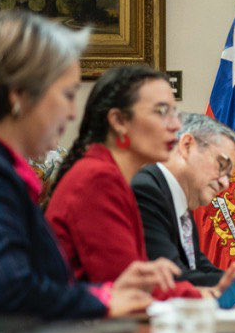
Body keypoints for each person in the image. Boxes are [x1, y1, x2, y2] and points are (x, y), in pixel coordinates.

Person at [0, 10, 160, 319]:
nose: (73, 113)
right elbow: (7, 294)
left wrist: (102, 293)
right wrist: (103, 303)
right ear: (18, 96)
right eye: (67, 94)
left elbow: (34, 285)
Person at [45, 65, 201, 300]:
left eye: (174, 113)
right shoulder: (97, 179)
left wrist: (212, 293)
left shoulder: (107, 174)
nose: (176, 125)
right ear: (118, 120)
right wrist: (210, 298)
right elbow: (130, 291)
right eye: (161, 111)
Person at [132, 112, 235, 289]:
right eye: (221, 165)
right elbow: (173, 276)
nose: (225, 183)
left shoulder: (180, 200)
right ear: (186, 146)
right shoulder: (146, 191)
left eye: (229, 176)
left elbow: (198, 266)